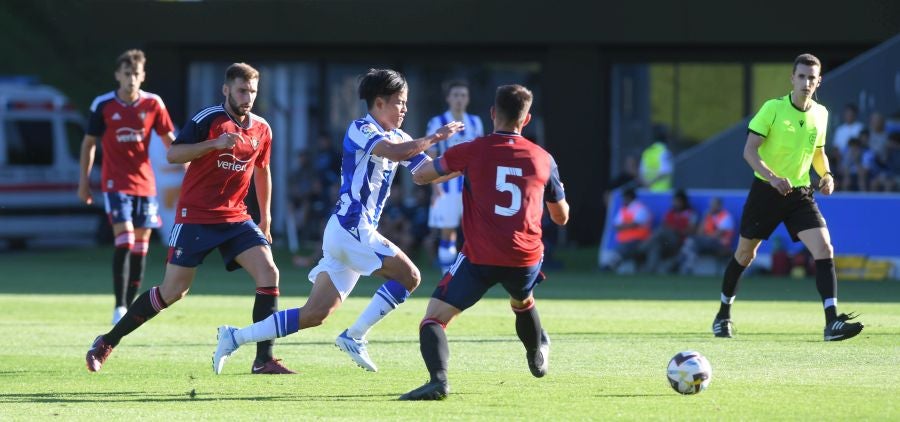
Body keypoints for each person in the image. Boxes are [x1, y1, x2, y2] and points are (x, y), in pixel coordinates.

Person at [211, 68, 463, 375]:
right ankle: (354, 336)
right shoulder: (361, 128)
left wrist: (466, 166)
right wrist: (436, 137)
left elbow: (424, 173)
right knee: (409, 276)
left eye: (406, 102)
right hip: (350, 229)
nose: (405, 109)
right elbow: (392, 152)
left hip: (348, 233)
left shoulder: (401, 137)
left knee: (314, 313)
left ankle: (234, 337)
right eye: (400, 102)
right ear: (380, 102)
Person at [86, 62, 297, 374]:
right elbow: (174, 154)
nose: (247, 96)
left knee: (269, 274)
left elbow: (262, 171)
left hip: (236, 217)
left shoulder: (261, 128)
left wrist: (265, 218)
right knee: (173, 292)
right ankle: (107, 340)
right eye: (241, 90)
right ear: (226, 90)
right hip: (195, 216)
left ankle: (263, 359)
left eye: (252, 91)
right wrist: (213, 144)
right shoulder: (208, 119)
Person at [396, 84, 569, 400]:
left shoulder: (472, 150)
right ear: (526, 119)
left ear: (492, 113)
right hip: (525, 257)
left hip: (480, 257)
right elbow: (561, 218)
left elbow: (421, 176)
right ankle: (537, 349)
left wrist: (447, 165)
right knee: (522, 301)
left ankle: (438, 381)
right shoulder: (544, 159)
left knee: (433, 318)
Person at [711, 54, 863, 341]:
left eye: (811, 77)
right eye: (801, 76)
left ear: (819, 81)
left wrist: (827, 174)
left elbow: (818, 151)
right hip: (765, 192)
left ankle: (832, 323)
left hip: (800, 194)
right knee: (745, 255)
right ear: (792, 78)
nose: (806, 82)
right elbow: (749, 151)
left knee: (825, 248)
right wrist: (772, 177)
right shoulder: (772, 109)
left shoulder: (822, 114)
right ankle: (722, 315)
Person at [77, 49, 176, 325]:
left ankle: (130, 307)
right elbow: (89, 144)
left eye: (136, 74)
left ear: (143, 76)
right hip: (115, 183)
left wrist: (191, 165)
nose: (131, 79)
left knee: (141, 247)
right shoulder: (104, 104)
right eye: (127, 74)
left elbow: (171, 142)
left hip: (145, 184)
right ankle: (119, 304)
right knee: (126, 239)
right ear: (117, 75)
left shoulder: (154, 104)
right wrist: (84, 183)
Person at [425, 80, 485, 273]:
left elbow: (481, 156)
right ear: (448, 98)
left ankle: (471, 272)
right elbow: (431, 156)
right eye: (456, 95)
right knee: (448, 231)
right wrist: (435, 188)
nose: (459, 99)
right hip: (446, 186)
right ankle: (447, 274)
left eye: (463, 95)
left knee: (474, 231)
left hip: (470, 186)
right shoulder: (437, 122)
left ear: (468, 99)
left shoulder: (475, 122)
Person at [641, 189, 696, 273]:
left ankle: (643, 247)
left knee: (660, 231)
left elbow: (691, 231)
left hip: (678, 240)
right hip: (666, 242)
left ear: (683, 201)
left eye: (677, 201)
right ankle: (650, 271)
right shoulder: (670, 213)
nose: (675, 203)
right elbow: (664, 225)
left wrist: (675, 230)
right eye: (674, 201)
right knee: (656, 245)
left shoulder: (690, 213)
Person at [602, 188, 652, 272]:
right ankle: (609, 266)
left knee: (622, 251)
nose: (623, 200)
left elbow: (636, 224)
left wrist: (625, 226)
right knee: (620, 250)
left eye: (624, 198)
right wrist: (628, 225)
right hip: (624, 241)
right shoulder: (623, 210)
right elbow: (616, 225)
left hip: (638, 240)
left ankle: (609, 266)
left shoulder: (640, 208)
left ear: (628, 197)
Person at [680, 196, 734, 274]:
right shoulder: (709, 216)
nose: (712, 207)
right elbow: (699, 233)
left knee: (692, 241)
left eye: (714, 205)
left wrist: (703, 238)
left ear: (719, 206)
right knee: (692, 243)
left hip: (720, 244)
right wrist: (705, 218)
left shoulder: (726, 217)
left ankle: (686, 262)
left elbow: (717, 235)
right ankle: (689, 265)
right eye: (711, 205)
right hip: (707, 243)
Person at [638, 126, 673, 192]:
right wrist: (651, 182)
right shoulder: (665, 152)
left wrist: (647, 184)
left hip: (648, 191)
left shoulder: (647, 152)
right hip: (662, 192)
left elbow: (641, 173)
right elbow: (665, 172)